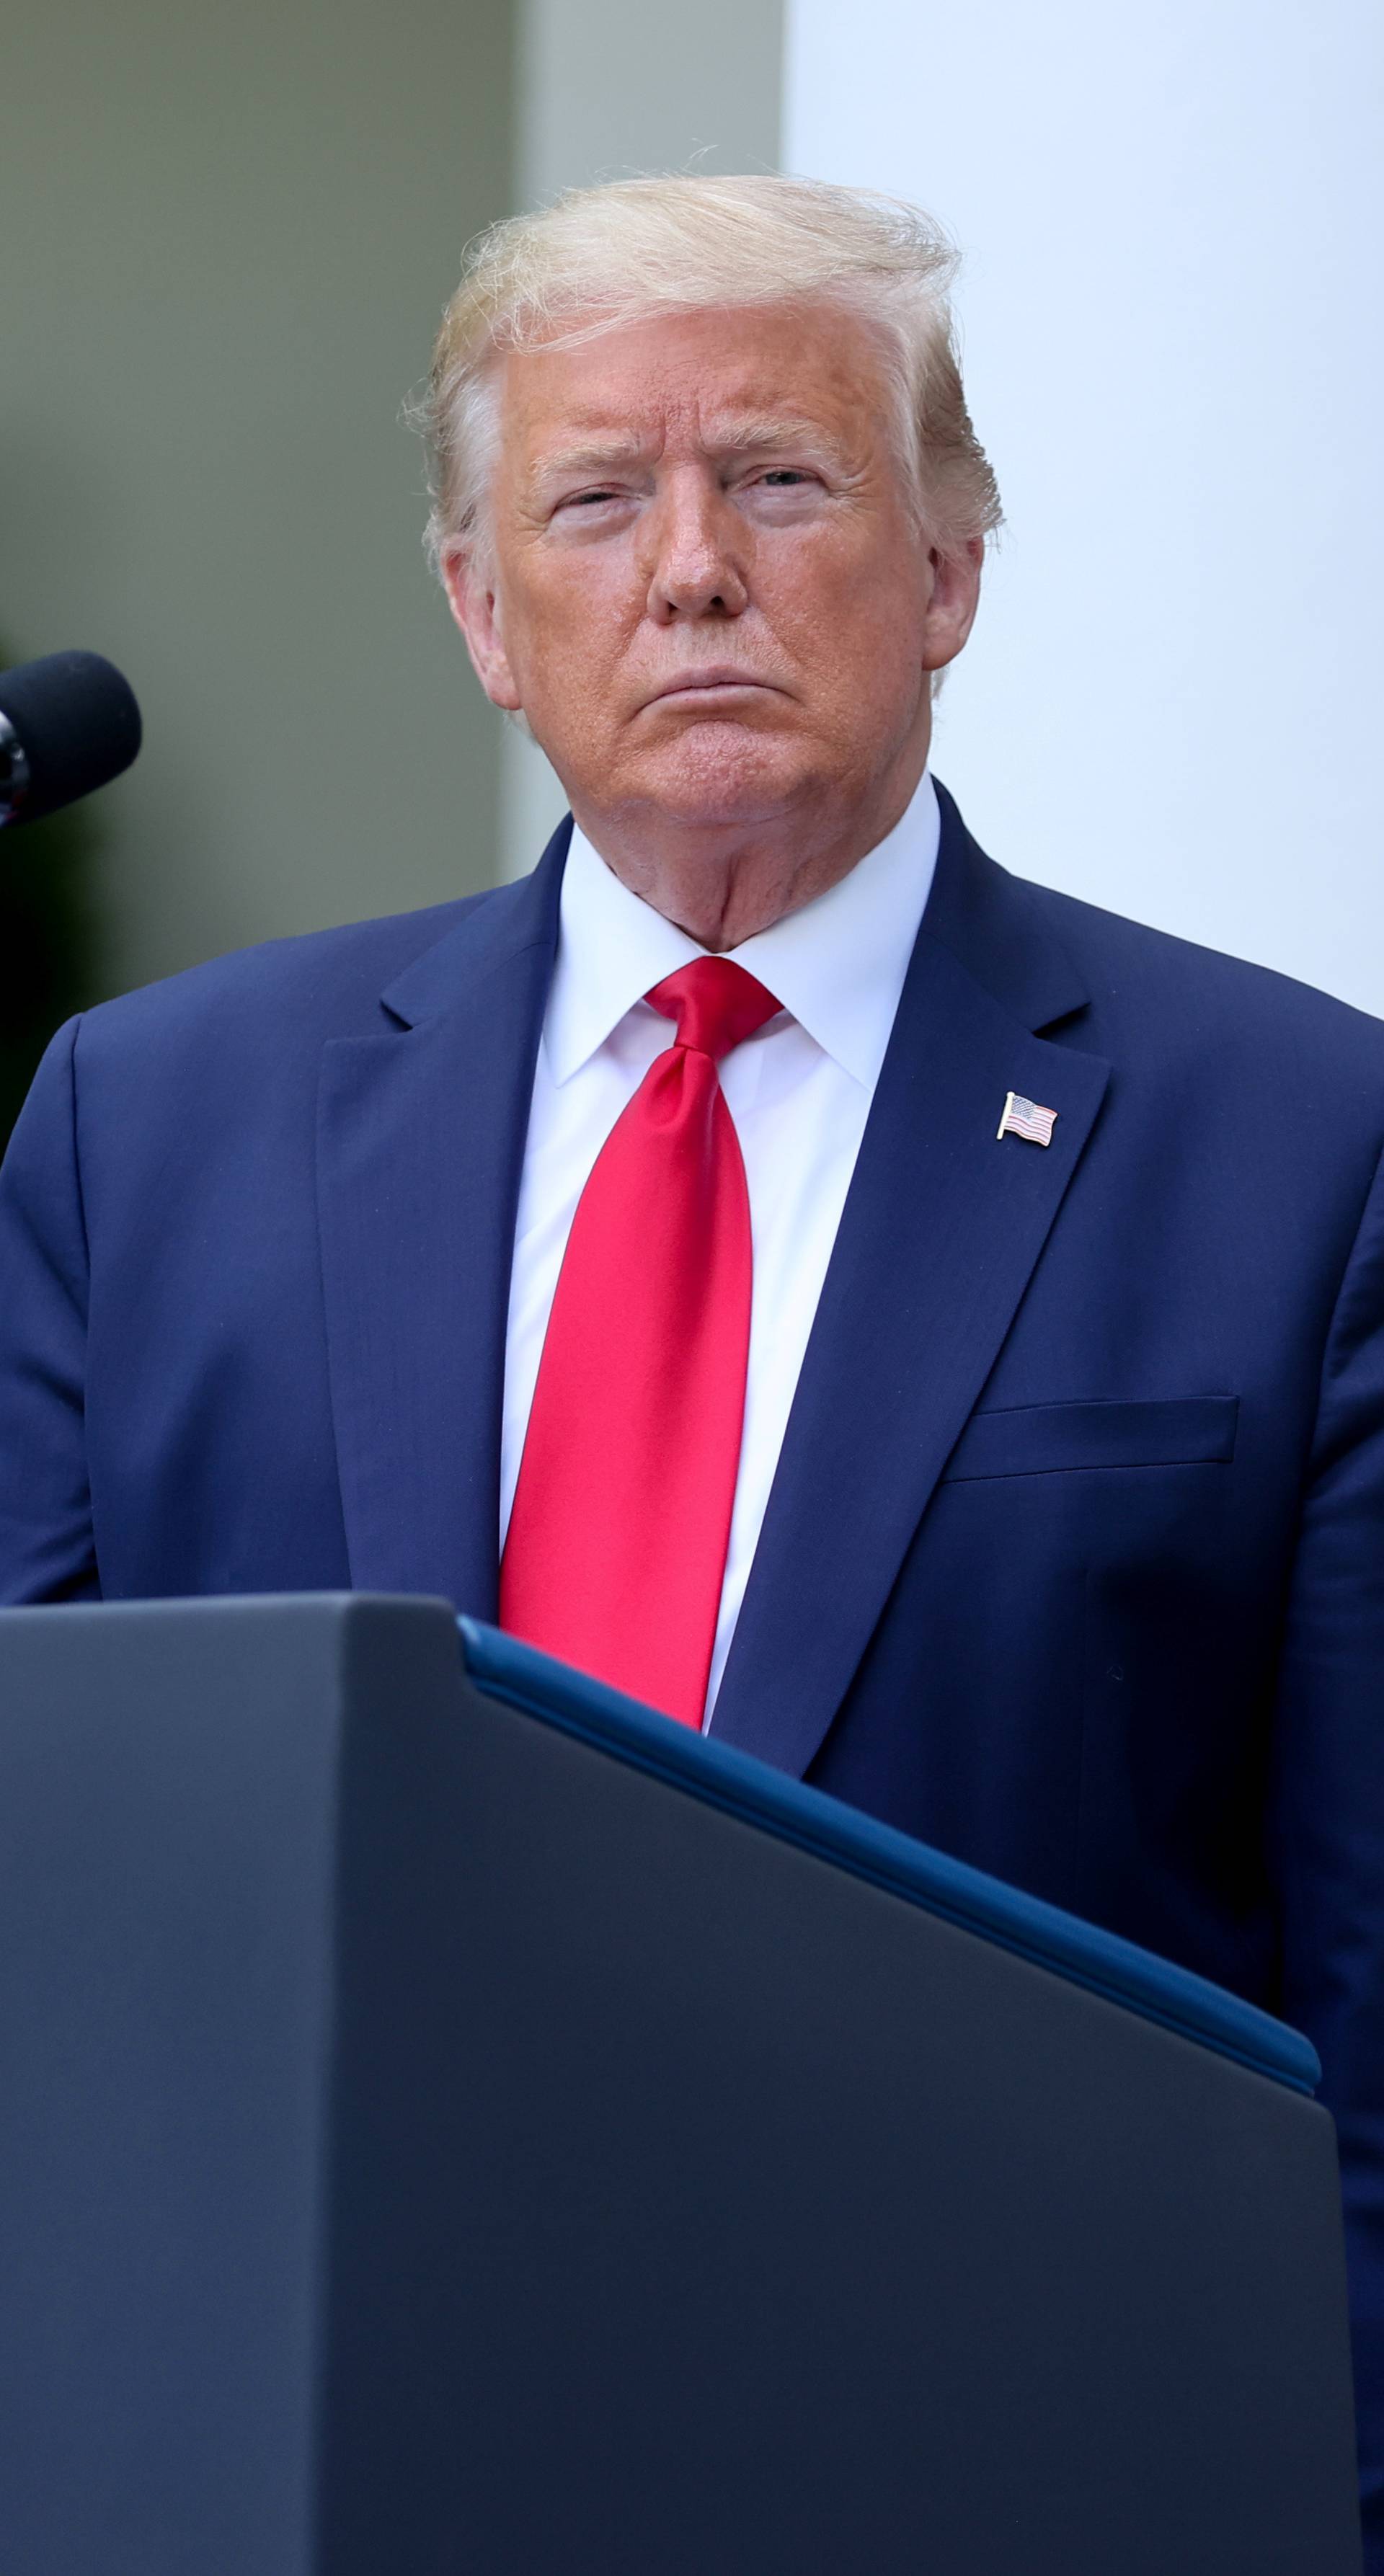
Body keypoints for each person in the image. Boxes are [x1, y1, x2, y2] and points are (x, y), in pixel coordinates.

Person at [1, 175, 1382, 2548]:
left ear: (948, 569)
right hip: (290, 2483)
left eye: (780, 476)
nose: (693, 568)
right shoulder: (156, 1128)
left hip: (995, 2489)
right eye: (594, 498)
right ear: (481, 612)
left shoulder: (1296, 1147)